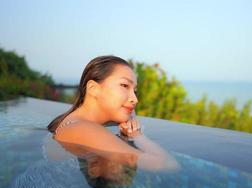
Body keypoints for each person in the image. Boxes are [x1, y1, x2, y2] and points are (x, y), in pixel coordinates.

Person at [47, 55, 179, 172]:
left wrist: (129, 118)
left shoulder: (75, 123)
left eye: (135, 91)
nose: (135, 99)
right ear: (93, 89)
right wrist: (137, 135)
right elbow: (166, 164)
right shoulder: (84, 129)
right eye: (124, 85)